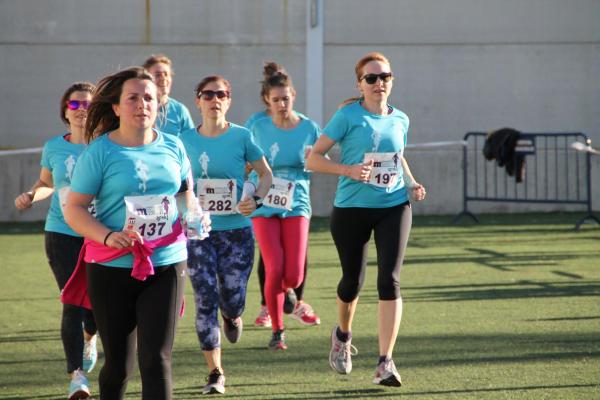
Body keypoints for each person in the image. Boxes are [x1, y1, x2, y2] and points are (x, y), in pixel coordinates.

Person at [62, 67, 194, 400]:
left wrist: (194, 214)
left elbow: (185, 192)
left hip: (166, 262)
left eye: (149, 97)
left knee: (157, 358)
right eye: (132, 98)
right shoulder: (101, 152)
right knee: (119, 365)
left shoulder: (174, 147)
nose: (142, 104)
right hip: (110, 267)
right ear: (117, 107)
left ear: (159, 104)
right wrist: (107, 236)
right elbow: (74, 208)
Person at [306, 52, 426, 387]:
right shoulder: (347, 116)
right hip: (352, 209)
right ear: (360, 84)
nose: (379, 83)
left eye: (384, 76)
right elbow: (314, 159)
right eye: (371, 78)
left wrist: (411, 183)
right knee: (352, 282)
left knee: (390, 280)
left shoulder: (400, 118)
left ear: (392, 80)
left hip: (394, 206)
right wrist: (347, 170)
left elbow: (398, 158)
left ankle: (385, 362)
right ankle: (342, 336)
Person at [180, 75, 272, 395]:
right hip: (198, 233)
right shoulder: (183, 140)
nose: (214, 99)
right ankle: (215, 371)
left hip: (237, 233)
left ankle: (233, 316)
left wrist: (255, 200)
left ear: (229, 100)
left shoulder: (243, 137)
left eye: (221, 94)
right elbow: (175, 182)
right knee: (205, 298)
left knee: (231, 298)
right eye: (208, 94)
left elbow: (265, 174)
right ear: (198, 100)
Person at [14, 82, 98, 400]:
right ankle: (77, 377)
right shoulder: (54, 147)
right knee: (72, 302)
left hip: (98, 235)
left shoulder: (106, 145)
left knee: (97, 309)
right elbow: (47, 182)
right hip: (61, 233)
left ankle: (91, 336)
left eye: (88, 105)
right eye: (75, 105)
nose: (81, 111)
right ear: (65, 110)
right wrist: (32, 194)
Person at [249, 65, 321, 350]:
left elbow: (319, 159)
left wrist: (315, 161)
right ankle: (278, 330)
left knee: (294, 274)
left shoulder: (309, 128)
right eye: (276, 99)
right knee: (274, 266)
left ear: (293, 96)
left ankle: (291, 293)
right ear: (267, 99)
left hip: (297, 203)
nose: (281, 104)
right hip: (264, 202)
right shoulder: (256, 125)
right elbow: (246, 159)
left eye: (286, 99)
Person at [143, 54, 195, 136]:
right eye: (158, 75)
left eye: (166, 74)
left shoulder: (179, 111)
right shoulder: (139, 107)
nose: (163, 78)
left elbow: (191, 142)